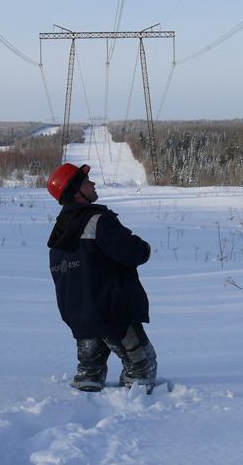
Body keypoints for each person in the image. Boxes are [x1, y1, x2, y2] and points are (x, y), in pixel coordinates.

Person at [46, 162, 157, 392]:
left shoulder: (59, 231)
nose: (93, 183)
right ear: (76, 191)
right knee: (141, 369)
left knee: (89, 374)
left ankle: (81, 405)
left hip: (80, 317)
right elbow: (132, 253)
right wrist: (144, 248)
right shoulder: (98, 221)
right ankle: (137, 409)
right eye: (87, 182)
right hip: (113, 314)